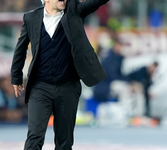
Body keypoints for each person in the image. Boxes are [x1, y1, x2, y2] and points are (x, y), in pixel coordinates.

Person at [11, 0, 109, 149]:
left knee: (64, 141)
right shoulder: (31, 18)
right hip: (40, 87)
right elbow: (21, 48)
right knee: (34, 137)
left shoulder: (74, 10)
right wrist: (16, 76)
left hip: (68, 87)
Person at [93, 38, 129, 103]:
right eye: (119, 45)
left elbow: (120, 74)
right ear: (115, 45)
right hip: (103, 87)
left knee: (129, 87)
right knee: (124, 88)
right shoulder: (108, 57)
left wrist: (130, 82)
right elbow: (112, 76)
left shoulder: (118, 58)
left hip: (110, 85)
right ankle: (124, 111)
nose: (121, 48)